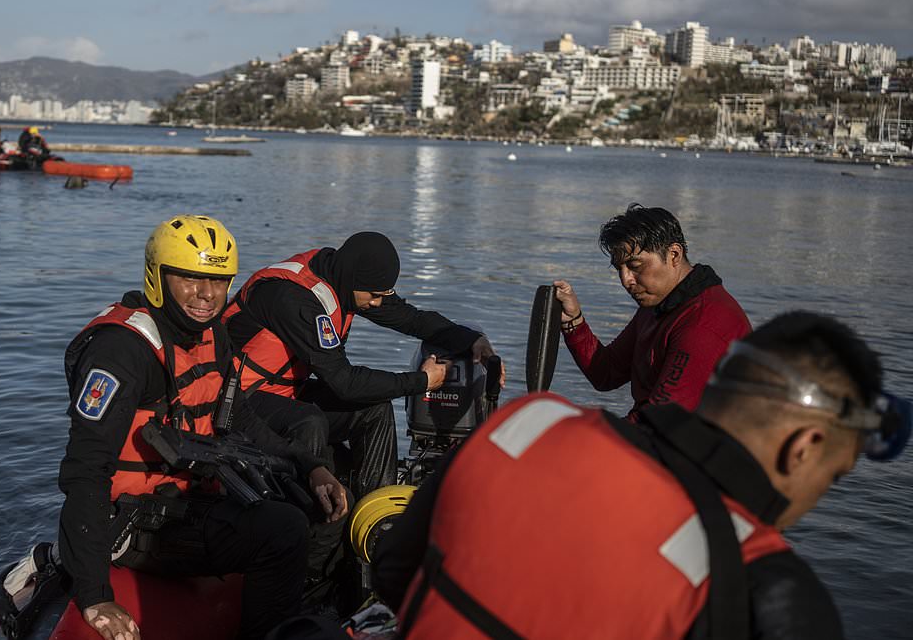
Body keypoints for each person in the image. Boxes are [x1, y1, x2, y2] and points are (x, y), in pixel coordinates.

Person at [373, 311, 910, 639]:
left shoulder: (529, 421)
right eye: (832, 477)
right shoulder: (772, 592)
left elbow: (395, 573)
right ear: (805, 448)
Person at [57, 215, 350, 640]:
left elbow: (240, 418)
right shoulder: (121, 351)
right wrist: (94, 594)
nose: (207, 295)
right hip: (130, 520)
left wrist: (309, 465)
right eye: (190, 279)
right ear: (157, 277)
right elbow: (86, 469)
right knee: (282, 530)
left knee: (303, 498)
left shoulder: (212, 333)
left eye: (218, 281)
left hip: (186, 495)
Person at [223, 232, 502, 498]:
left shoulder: (346, 280)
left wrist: (472, 340)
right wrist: (422, 382)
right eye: (374, 295)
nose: (378, 303)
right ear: (351, 278)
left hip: (284, 393)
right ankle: (314, 525)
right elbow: (344, 383)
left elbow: (412, 319)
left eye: (382, 295)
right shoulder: (294, 300)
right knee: (309, 419)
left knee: (375, 409)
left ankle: (376, 513)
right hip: (238, 401)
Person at [555, 203, 750, 422]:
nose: (625, 280)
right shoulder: (659, 305)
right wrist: (573, 321)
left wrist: (580, 436)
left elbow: (659, 423)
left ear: (674, 254)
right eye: (619, 269)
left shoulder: (704, 324)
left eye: (635, 266)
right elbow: (606, 373)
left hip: (696, 449)